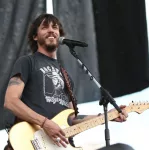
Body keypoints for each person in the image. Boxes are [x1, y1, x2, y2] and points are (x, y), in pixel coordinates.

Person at [4, 13, 128, 150]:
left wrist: (107, 116)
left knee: (122, 148)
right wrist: (45, 123)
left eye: (55, 27)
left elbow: (71, 120)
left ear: (59, 35)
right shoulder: (28, 62)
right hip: (31, 140)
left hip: (59, 146)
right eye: (45, 27)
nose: (51, 30)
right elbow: (10, 101)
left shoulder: (66, 78)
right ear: (35, 36)